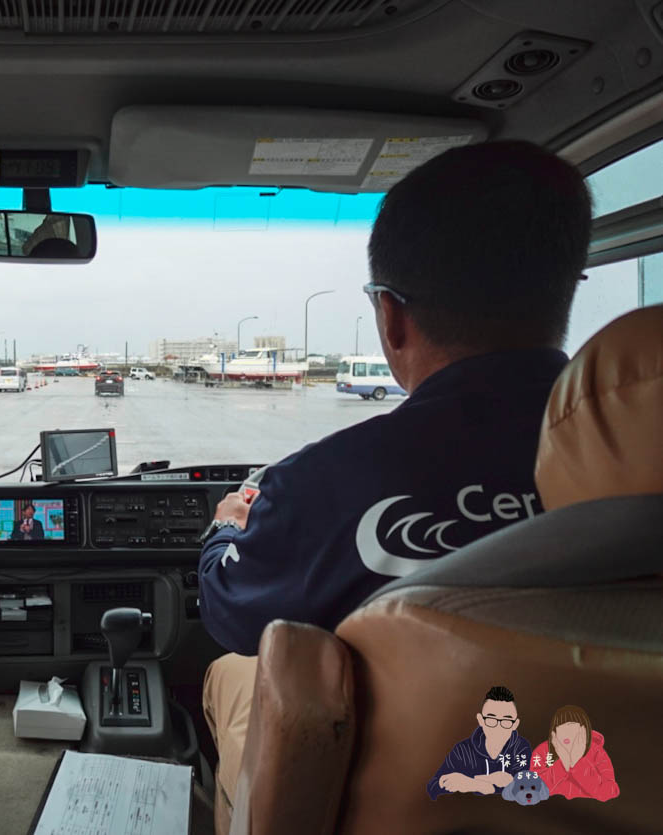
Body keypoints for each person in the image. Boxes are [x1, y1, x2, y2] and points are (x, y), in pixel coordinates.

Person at [198, 140, 592, 833]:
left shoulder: (330, 481)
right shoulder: (635, 468)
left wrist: (226, 528)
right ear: (564, 292)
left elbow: (233, 613)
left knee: (232, 669)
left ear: (391, 316)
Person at [426, 686, 532, 799]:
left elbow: (524, 790)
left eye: (506, 721)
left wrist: (473, 782)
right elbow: (432, 787)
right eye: (491, 719)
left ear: (515, 724)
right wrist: (479, 785)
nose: (498, 727)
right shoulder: (463, 750)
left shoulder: (521, 748)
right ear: (481, 720)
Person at [531, 705, 619, 801]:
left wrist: (578, 761)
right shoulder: (543, 751)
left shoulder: (597, 752)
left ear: (584, 729)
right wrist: (562, 764)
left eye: (571, 726)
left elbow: (608, 792)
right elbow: (532, 790)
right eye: (560, 727)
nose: (565, 733)